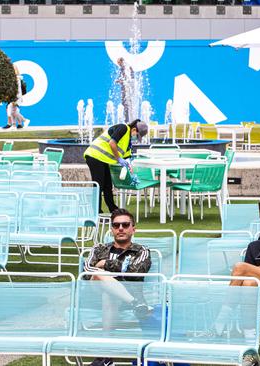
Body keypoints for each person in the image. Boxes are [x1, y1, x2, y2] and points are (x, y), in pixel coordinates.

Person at [86, 209, 152, 366]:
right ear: (112, 229)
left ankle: (104, 356)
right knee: (99, 275)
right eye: (116, 225)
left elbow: (137, 271)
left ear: (133, 228)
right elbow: (88, 270)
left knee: (109, 294)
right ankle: (135, 303)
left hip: (122, 293)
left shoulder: (141, 251)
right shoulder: (99, 248)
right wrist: (115, 270)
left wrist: (105, 264)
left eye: (125, 224)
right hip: (94, 292)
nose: (120, 228)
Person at [84, 119, 149, 213]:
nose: (136, 138)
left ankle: (113, 209)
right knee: (99, 185)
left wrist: (129, 166)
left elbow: (127, 157)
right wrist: (118, 158)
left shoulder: (128, 141)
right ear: (134, 130)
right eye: (137, 135)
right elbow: (112, 143)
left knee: (107, 185)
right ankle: (96, 212)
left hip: (102, 159)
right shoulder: (123, 128)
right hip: (94, 155)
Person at [3, 65, 30, 129]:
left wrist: (15, 98)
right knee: (11, 109)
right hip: (14, 96)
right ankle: (14, 125)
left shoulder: (16, 79)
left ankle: (24, 120)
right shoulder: (14, 79)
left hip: (15, 97)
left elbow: (17, 90)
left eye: (14, 70)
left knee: (13, 110)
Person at [116, 57, 134, 123]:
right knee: (126, 104)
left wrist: (120, 81)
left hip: (127, 89)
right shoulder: (125, 67)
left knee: (126, 104)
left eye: (118, 62)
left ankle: (128, 121)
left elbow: (127, 79)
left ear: (121, 61)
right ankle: (127, 120)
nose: (118, 64)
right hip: (126, 88)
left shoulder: (125, 67)